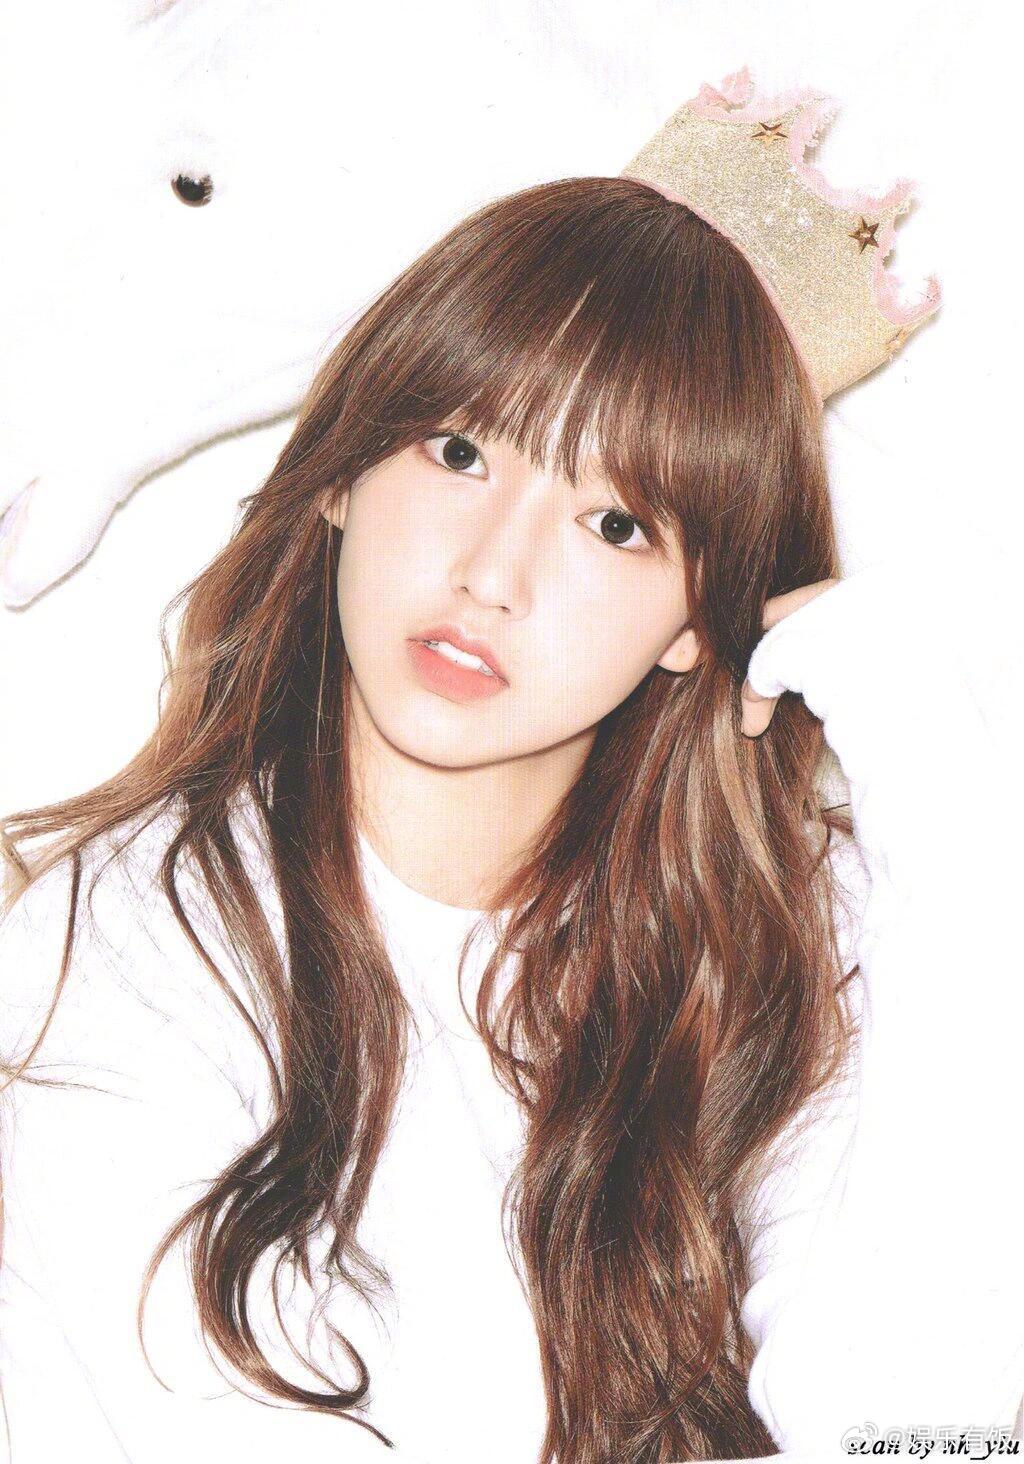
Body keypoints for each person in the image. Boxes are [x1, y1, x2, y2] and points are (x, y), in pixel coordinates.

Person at [1, 81, 1021, 1464]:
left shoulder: (788, 950)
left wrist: (946, 803)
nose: (495, 571)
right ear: (342, 473)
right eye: (462, 451)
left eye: (616, 523)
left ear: (697, 622)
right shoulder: (118, 943)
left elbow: (911, 1429)